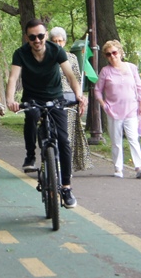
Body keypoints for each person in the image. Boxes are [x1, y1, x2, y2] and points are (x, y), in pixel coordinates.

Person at [6, 19, 87, 209]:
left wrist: (78, 95)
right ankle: (30, 155)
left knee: (63, 140)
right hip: (32, 98)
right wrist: (10, 100)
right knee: (31, 117)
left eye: (41, 36)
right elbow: (13, 78)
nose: (37, 40)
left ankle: (66, 187)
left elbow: (70, 76)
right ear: (27, 38)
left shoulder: (56, 50)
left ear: (46, 35)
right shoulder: (20, 53)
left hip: (55, 98)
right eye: (32, 37)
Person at [94, 40, 141, 179]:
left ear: (120, 52)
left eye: (114, 52)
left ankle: (139, 166)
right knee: (116, 141)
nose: (112, 56)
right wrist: (103, 104)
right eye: (108, 54)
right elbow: (97, 90)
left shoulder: (131, 68)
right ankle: (118, 168)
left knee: (133, 138)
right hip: (113, 110)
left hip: (131, 109)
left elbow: (139, 87)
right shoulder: (105, 71)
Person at [49, 27, 92, 172]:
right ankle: (50, 163)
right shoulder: (45, 57)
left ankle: (66, 166)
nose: (58, 44)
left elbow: (77, 79)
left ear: (64, 42)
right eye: (54, 41)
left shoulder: (71, 58)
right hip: (50, 97)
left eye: (60, 41)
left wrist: (80, 97)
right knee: (50, 132)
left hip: (68, 98)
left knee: (67, 134)